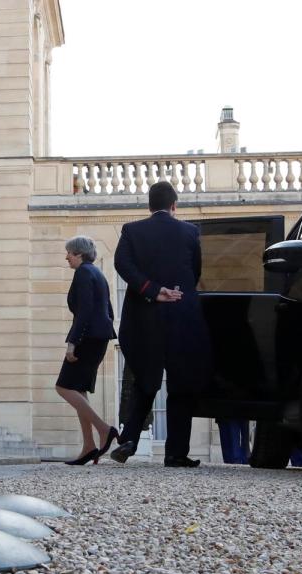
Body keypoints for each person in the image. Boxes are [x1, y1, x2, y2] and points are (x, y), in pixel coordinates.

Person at [111, 181, 210, 468]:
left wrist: (152, 290)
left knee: (144, 381)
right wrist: (173, 292)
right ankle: (175, 453)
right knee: (181, 386)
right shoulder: (190, 231)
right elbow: (196, 270)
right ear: (174, 206)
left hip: (144, 317)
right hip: (182, 316)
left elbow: (122, 265)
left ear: (149, 206)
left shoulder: (132, 230)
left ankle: (128, 439)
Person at [57, 235, 118, 466]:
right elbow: (109, 311)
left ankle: (104, 429)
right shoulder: (99, 273)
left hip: (87, 339)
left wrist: (73, 342)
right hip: (98, 338)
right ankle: (88, 446)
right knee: (79, 390)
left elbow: (84, 311)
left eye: (70, 253)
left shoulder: (83, 273)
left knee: (63, 387)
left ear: (79, 254)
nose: (67, 257)